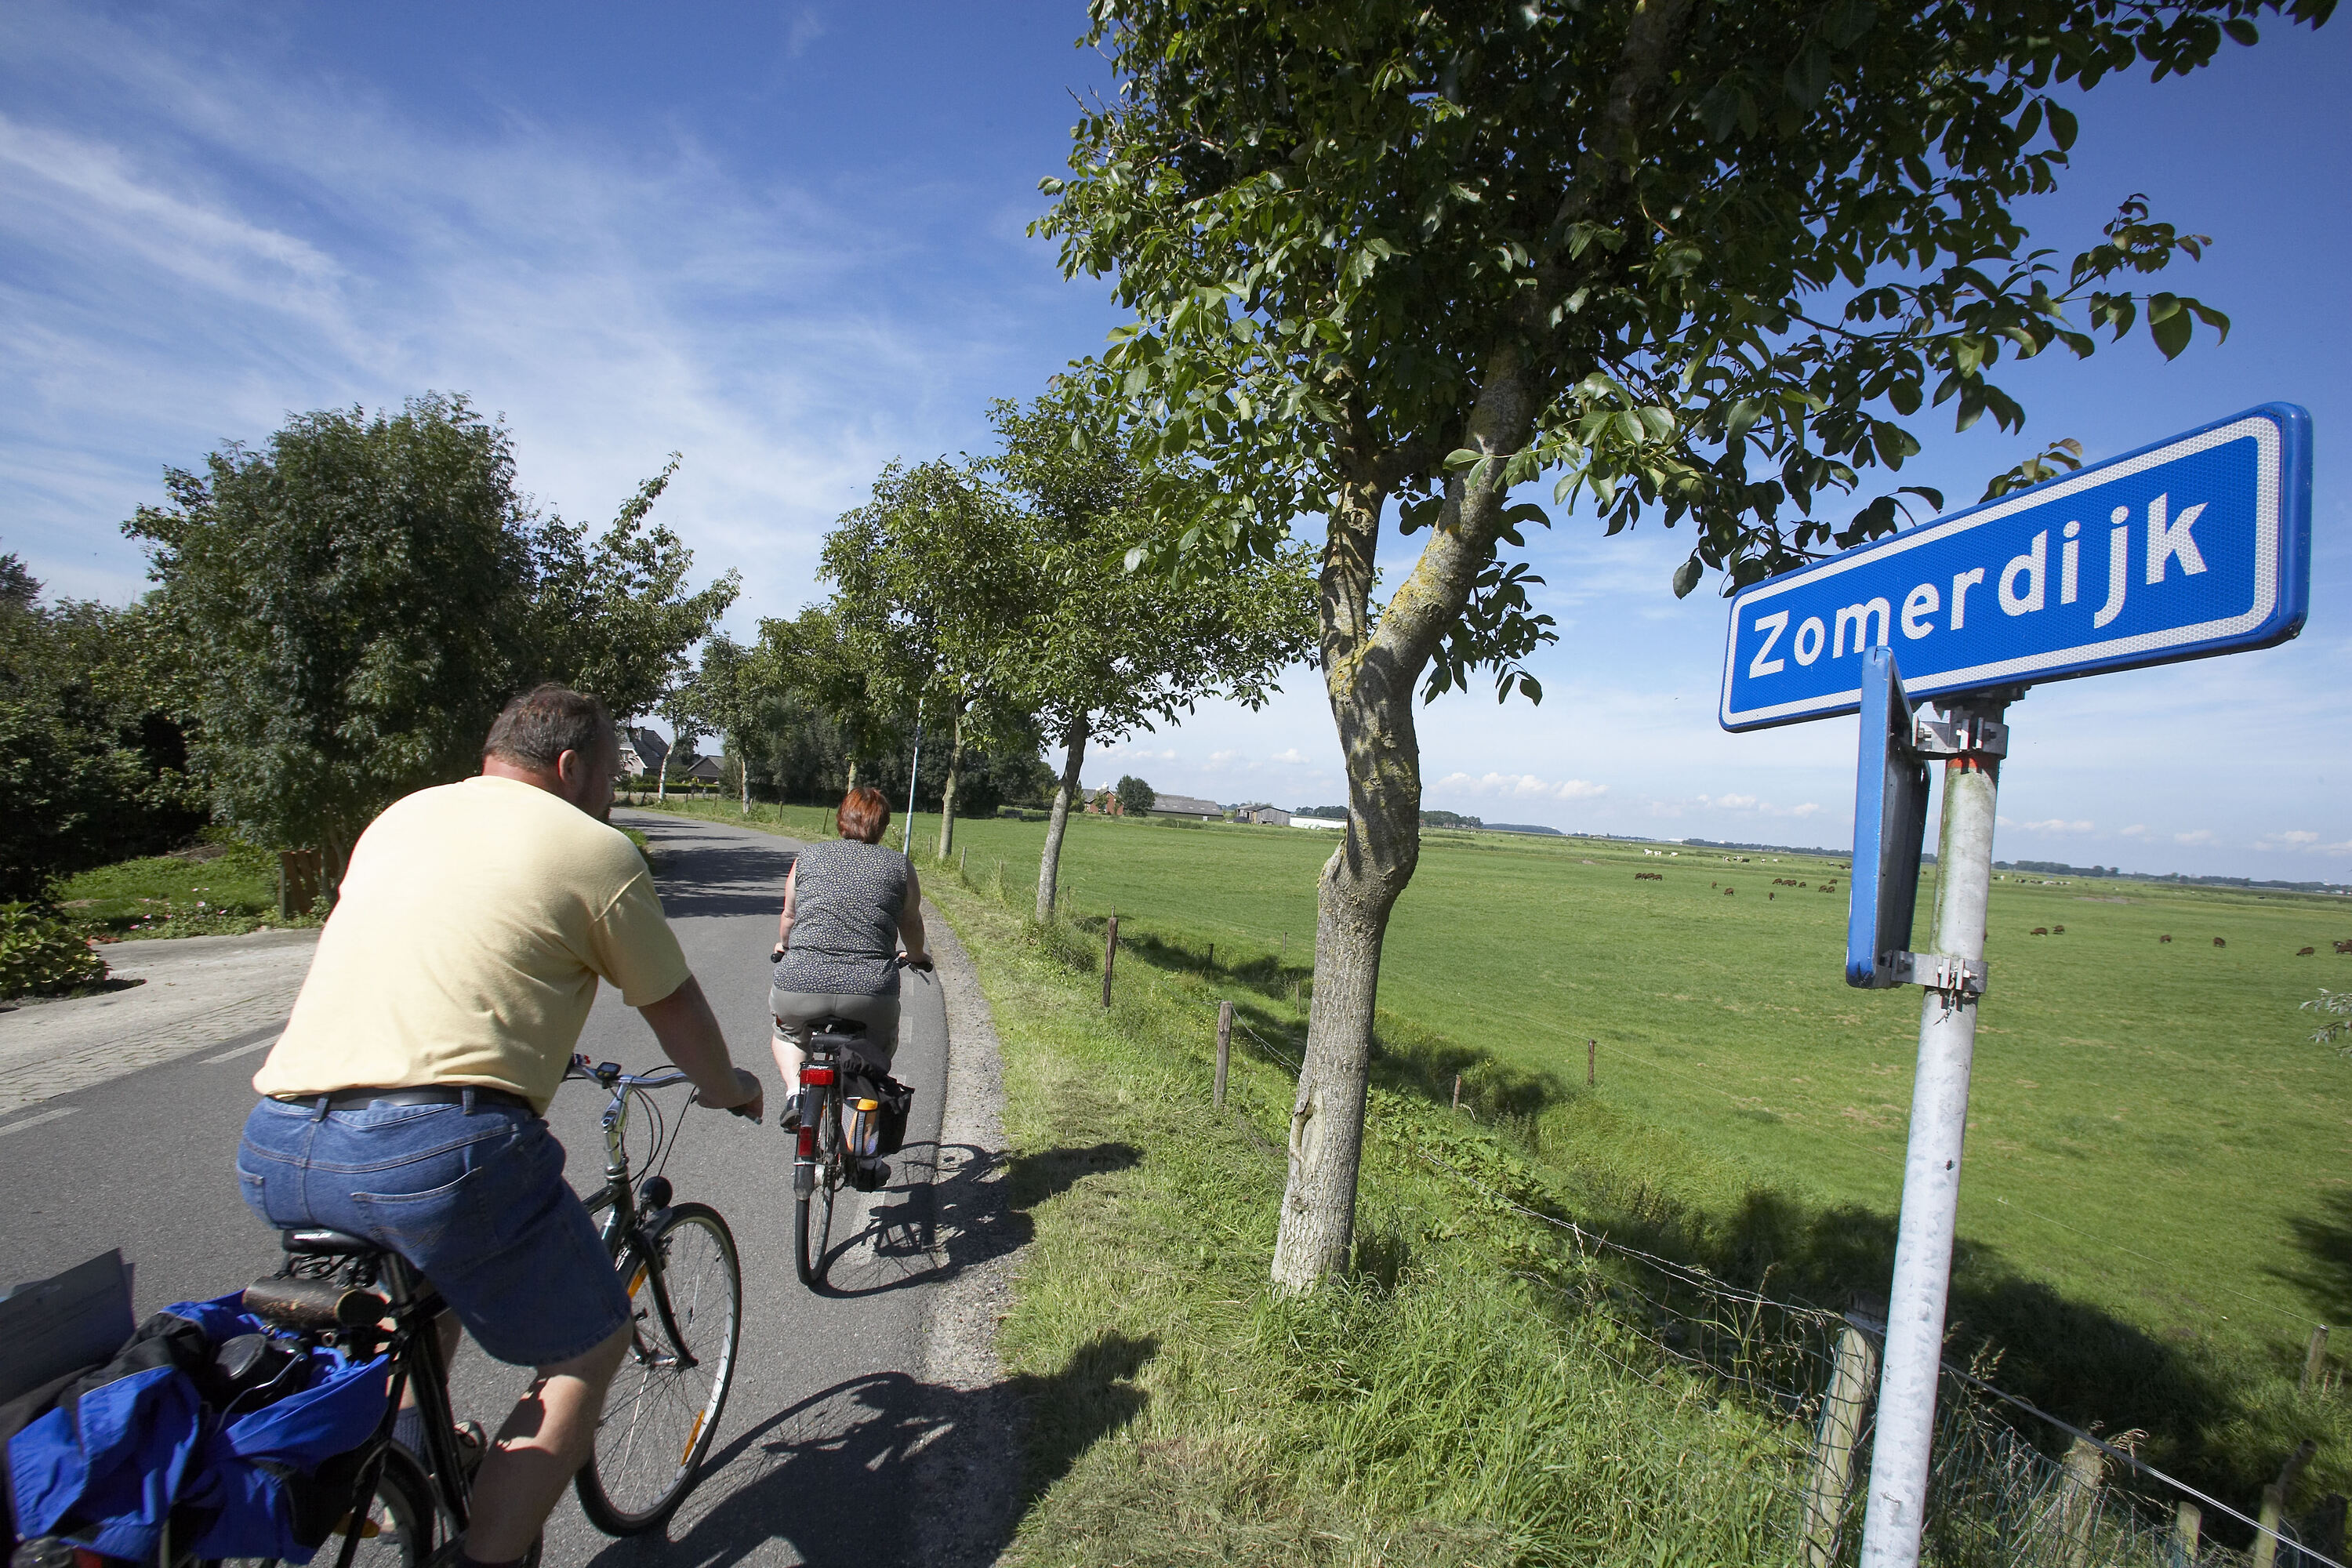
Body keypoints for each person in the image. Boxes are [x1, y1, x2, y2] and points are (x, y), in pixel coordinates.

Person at [236, 685, 762, 1568]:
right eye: (610, 775)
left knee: (422, 1291)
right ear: (570, 766)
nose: (612, 795)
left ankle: (409, 1458)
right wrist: (729, 1085)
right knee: (591, 1341)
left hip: (279, 1139)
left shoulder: (401, 817)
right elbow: (673, 1007)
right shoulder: (594, 849)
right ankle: (488, 1555)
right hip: (435, 1151)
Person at [768, 785, 931, 1112]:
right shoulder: (899, 866)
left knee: (788, 1035)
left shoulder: (808, 857)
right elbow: (911, 923)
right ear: (882, 826)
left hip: (800, 983)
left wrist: (785, 945)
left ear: (841, 819)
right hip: (870, 992)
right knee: (878, 1044)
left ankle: (796, 1094)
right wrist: (916, 956)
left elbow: (789, 915)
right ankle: (862, 1115)